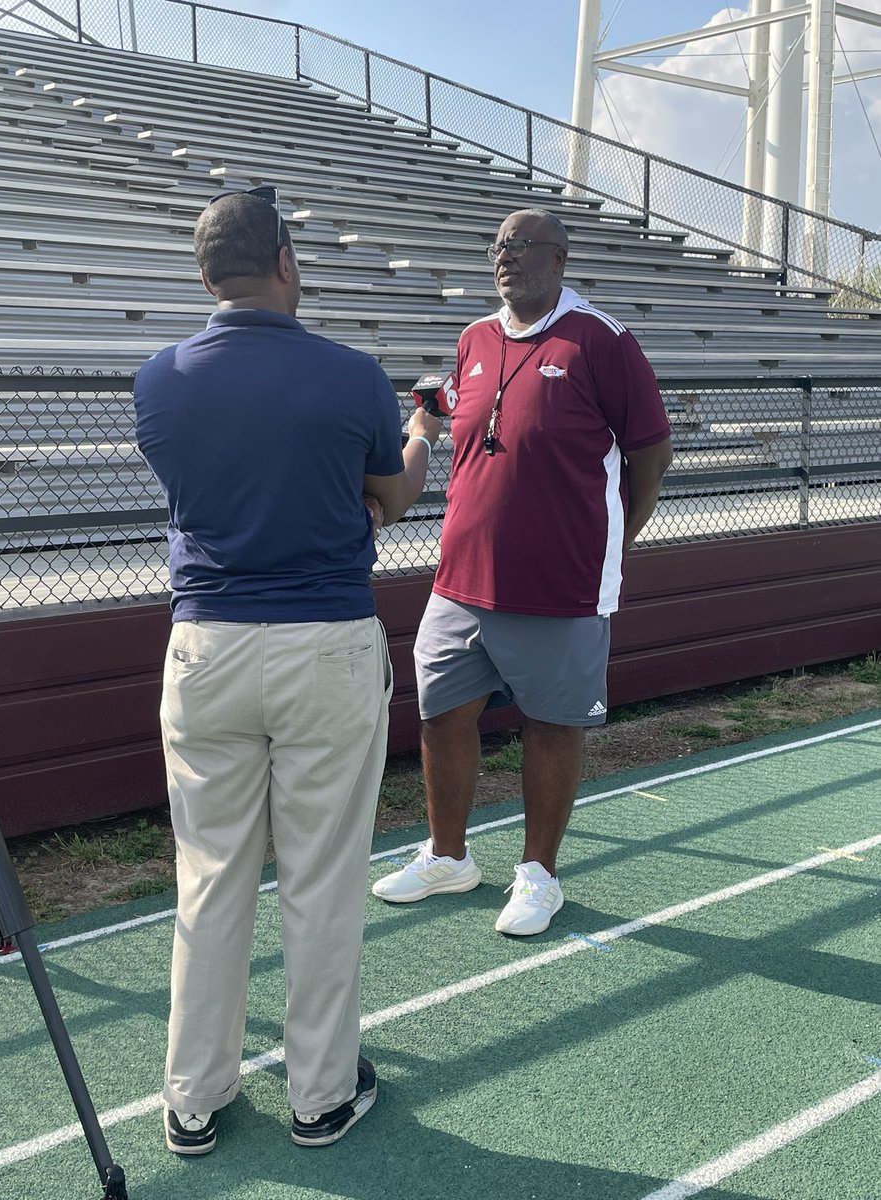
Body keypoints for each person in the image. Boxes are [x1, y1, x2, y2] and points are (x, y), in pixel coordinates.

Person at [133, 187, 441, 1156]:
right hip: (324, 640)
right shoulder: (353, 374)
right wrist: (422, 437)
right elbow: (390, 492)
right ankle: (319, 1092)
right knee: (321, 878)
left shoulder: (159, 379)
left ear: (202, 273)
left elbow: (210, 486)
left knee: (210, 876)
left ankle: (193, 1094)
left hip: (208, 643)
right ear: (286, 261)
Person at [373, 207, 672, 936]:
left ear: (561, 257)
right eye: (499, 244)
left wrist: (611, 540)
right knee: (441, 716)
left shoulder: (600, 340)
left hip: (561, 585)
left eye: (524, 243)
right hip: (462, 579)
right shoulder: (473, 339)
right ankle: (449, 856)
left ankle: (539, 875)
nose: (508, 255)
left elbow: (652, 454)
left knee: (552, 725)